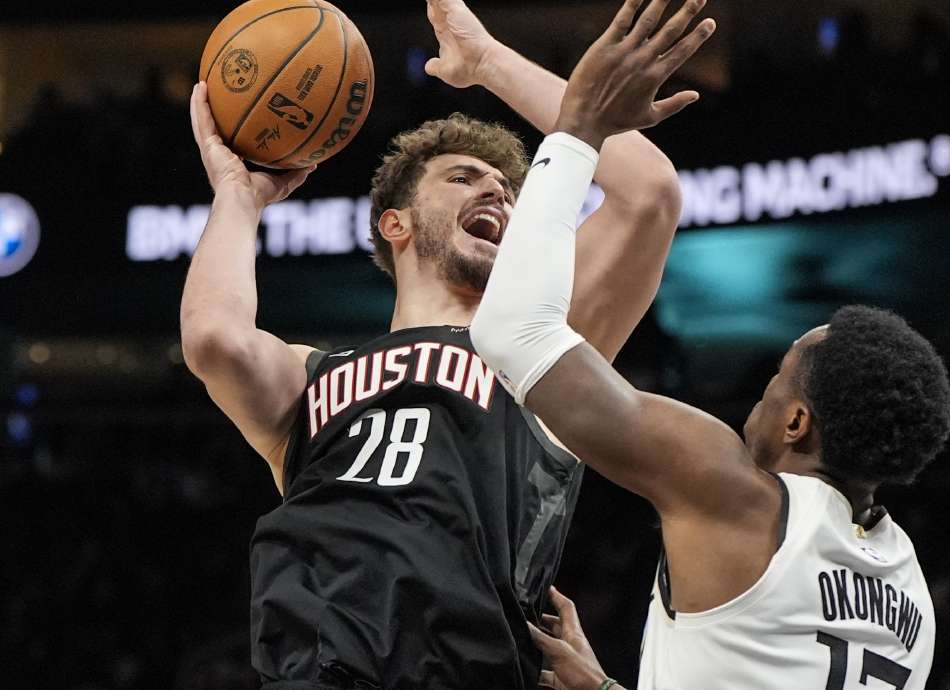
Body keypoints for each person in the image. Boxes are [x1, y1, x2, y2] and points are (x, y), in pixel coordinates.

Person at [179, 0, 710, 685]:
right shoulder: (312, 376)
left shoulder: (538, 352)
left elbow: (649, 193)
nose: (496, 192)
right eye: (463, 178)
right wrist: (237, 195)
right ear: (394, 224)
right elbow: (214, 339)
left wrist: (487, 62)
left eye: (509, 191)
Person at [469, 5, 950, 687]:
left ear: (796, 422)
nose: (759, 398)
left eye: (776, 379)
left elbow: (513, 331)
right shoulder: (909, 591)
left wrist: (580, 126)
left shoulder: (733, 494)